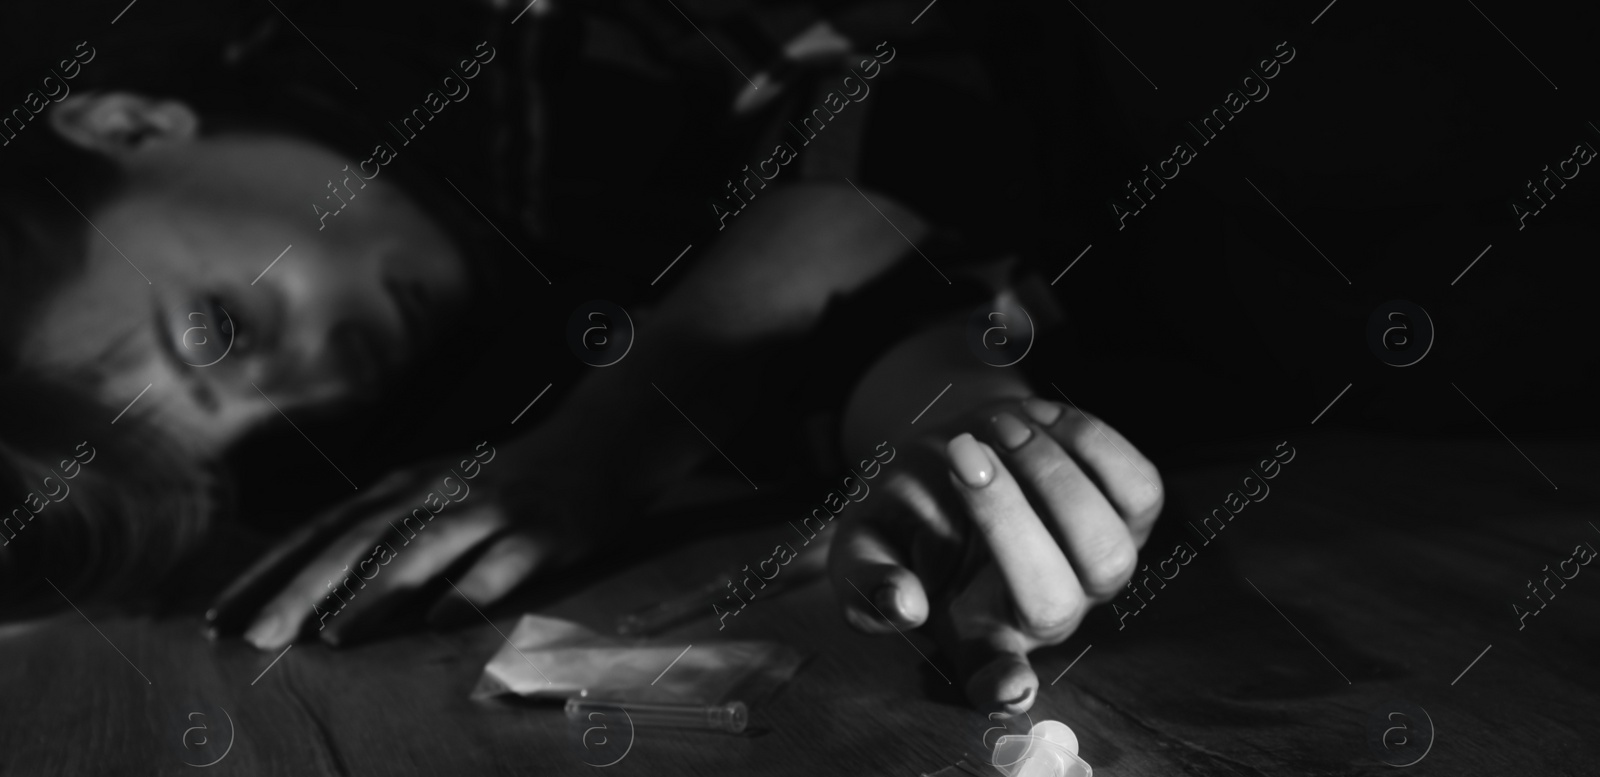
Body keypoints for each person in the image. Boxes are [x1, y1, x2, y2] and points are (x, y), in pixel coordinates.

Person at [0, 0, 1160, 714]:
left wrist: (611, 433)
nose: (324, 387)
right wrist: (967, 452)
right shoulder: (400, 417)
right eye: (248, 443)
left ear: (128, 126)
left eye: (218, 328)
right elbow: (867, 341)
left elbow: (888, 105)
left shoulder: (490, 40)